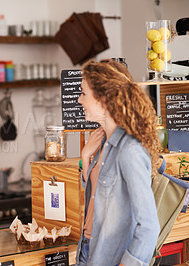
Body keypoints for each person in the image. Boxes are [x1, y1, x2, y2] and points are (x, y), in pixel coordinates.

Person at [75, 59, 160, 266]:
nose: (79, 100)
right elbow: (101, 195)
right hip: (88, 251)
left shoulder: (129, 150)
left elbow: (149, 226)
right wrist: (86, 157)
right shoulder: (104, 142)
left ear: (103, 100)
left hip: (111, 258)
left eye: (84, 93)